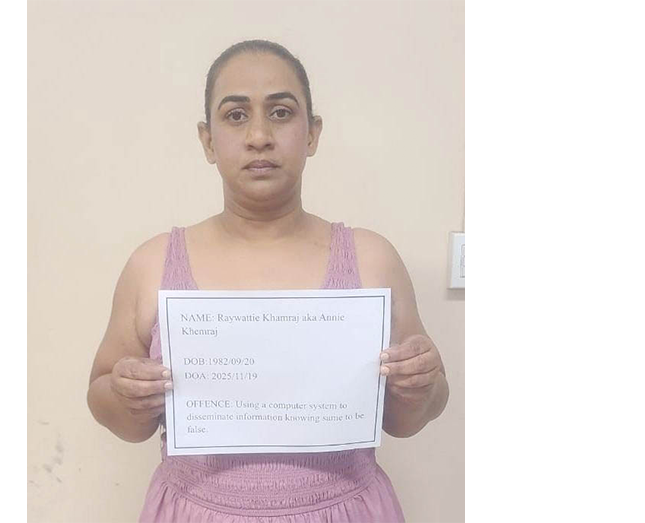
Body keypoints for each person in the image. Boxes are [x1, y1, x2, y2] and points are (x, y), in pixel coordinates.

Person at [87, 39, 449, 522]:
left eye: (281, 112)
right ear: (208, 140)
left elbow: (411, 416)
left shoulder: (372, 259)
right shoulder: (152, 264)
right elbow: (107, 402)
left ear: (312, 133)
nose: (259, 135)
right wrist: (125, 395)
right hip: (197, 510)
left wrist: (421, 385)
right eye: (236, 115)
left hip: (345, 509)